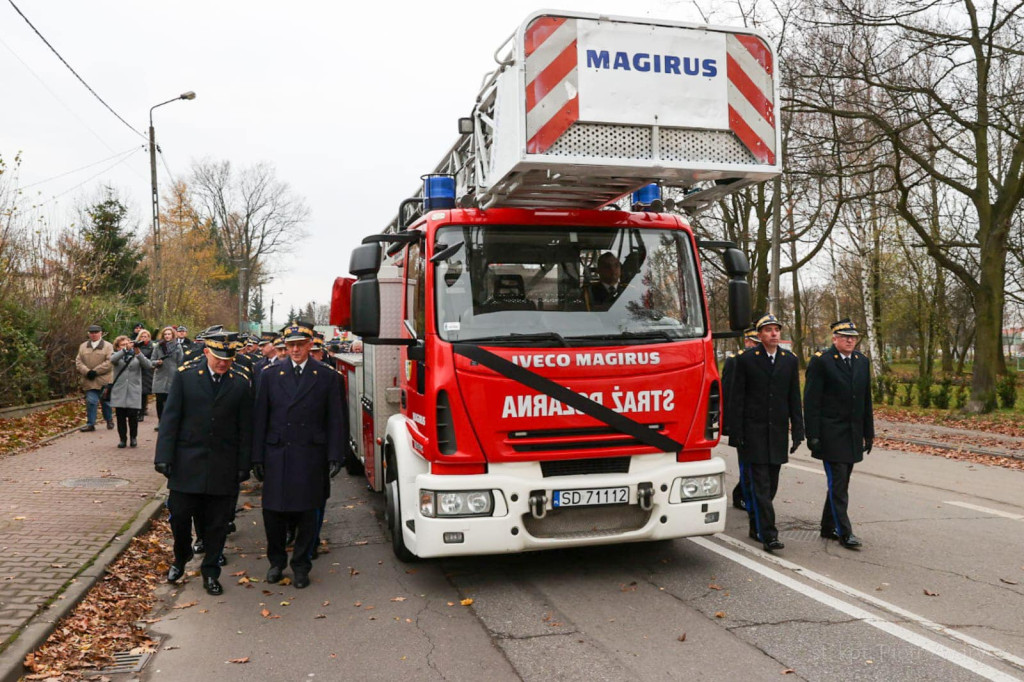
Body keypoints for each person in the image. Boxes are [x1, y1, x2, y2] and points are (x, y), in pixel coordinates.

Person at [155, 331, 252, 596]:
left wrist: (245, 463)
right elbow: (170, 420)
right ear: (207, 352)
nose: (223, 362)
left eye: (228, 358)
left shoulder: (241, 383)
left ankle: (211, 572)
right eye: (219, 357)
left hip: (223, 466)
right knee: (180, 518)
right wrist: (163, 456)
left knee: (217, 524)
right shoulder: (186, 378)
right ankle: (181, 556)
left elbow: (245, 428)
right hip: (187, 463)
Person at [252, 320, 345, 588]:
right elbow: (260, 418)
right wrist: (256, 457)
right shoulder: (270, 375)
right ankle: (276, 562)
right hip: (277, 453)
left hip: (309, 454)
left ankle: (302, 565)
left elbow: (334, 419)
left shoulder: (326, 376)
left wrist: (335, 455)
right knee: (273, 513)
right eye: (289, 345)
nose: (294, 350)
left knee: (307, 513)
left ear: (309, 345)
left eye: (299, 345)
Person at [727, 313, 803, 553]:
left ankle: (756, 523)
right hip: (754, 432)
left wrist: (798, 430)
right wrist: (736, 432)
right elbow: (736, 398)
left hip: (778, 433)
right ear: (759, 335)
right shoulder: (746, 360)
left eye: (777, 330)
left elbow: (793, 397)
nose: (774, 333)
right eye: (768, 330)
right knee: (760, 485)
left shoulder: (789, 360)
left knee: (771, 485)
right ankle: (769, 535)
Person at [804, 318, 874, 550]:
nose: (850, 340)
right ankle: (845, 531)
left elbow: (865, 401)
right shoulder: (822, 362)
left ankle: (827, 526)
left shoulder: (861, 362)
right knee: (839, 483)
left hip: (852, 434)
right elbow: (812, 401)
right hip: (831, 434)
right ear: (834, 339)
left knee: (840, 482)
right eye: (845, 337)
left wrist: (868, 433)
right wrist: (812, 434)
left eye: (853, 337)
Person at [722, 327, 759, 510]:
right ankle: (743, 496)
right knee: (746, 465)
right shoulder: (735, 361)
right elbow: (729, 394)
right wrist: (728, 424)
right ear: (747, 341)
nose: (756, 346)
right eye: (754, 342)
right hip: (741, 422)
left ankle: (742, 494)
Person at [108, 335, 153, 448]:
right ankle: (123, 439)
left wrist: (138, 352)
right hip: (120, 391)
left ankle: (133, 437)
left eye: (127, 343)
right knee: (120, 417)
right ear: (118, 347)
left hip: (134, 390)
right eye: (122, 344)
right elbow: (112, 360)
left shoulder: (137, 356)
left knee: (133, 416)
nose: (126, 346)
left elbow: (148, 365)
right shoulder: (116, 355)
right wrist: (125, 350)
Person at [76, 324, 114, 432]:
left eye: (96, 332)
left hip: (104, 380)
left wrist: (96, 371)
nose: (93, 335)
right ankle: (90, 424)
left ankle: (109, 419)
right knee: (91, 401)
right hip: (89, 380)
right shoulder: (83, 346)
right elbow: (78, 361)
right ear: (88, 334)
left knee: (106, 402)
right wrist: (87, 371)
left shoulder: (108, 346)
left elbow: (110, 362)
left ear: (101, 333)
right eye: (91, 333)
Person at [151, 326, 185, 429]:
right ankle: (160, 421)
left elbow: (181, 362)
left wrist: (179, 375)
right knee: (159, 401)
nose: (167, 336)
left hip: (173, 376)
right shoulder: (158, 346)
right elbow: (151, 360)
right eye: (165, 334)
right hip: (160, 376)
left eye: (169, 334)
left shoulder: (178, 346)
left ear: (173, 335)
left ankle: (170, 422)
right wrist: (157, 362)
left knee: (171, 401)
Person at [135, 328, 155, 422]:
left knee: (143, 393)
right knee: (136, 392)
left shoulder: (152, 347)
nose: (143, 338)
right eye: (142, 336)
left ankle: (141, 412)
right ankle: (136, 411)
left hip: (146, 371)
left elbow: (152, 359)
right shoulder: (136, 346)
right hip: (136, 370)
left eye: (145, 336)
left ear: (149, 337)